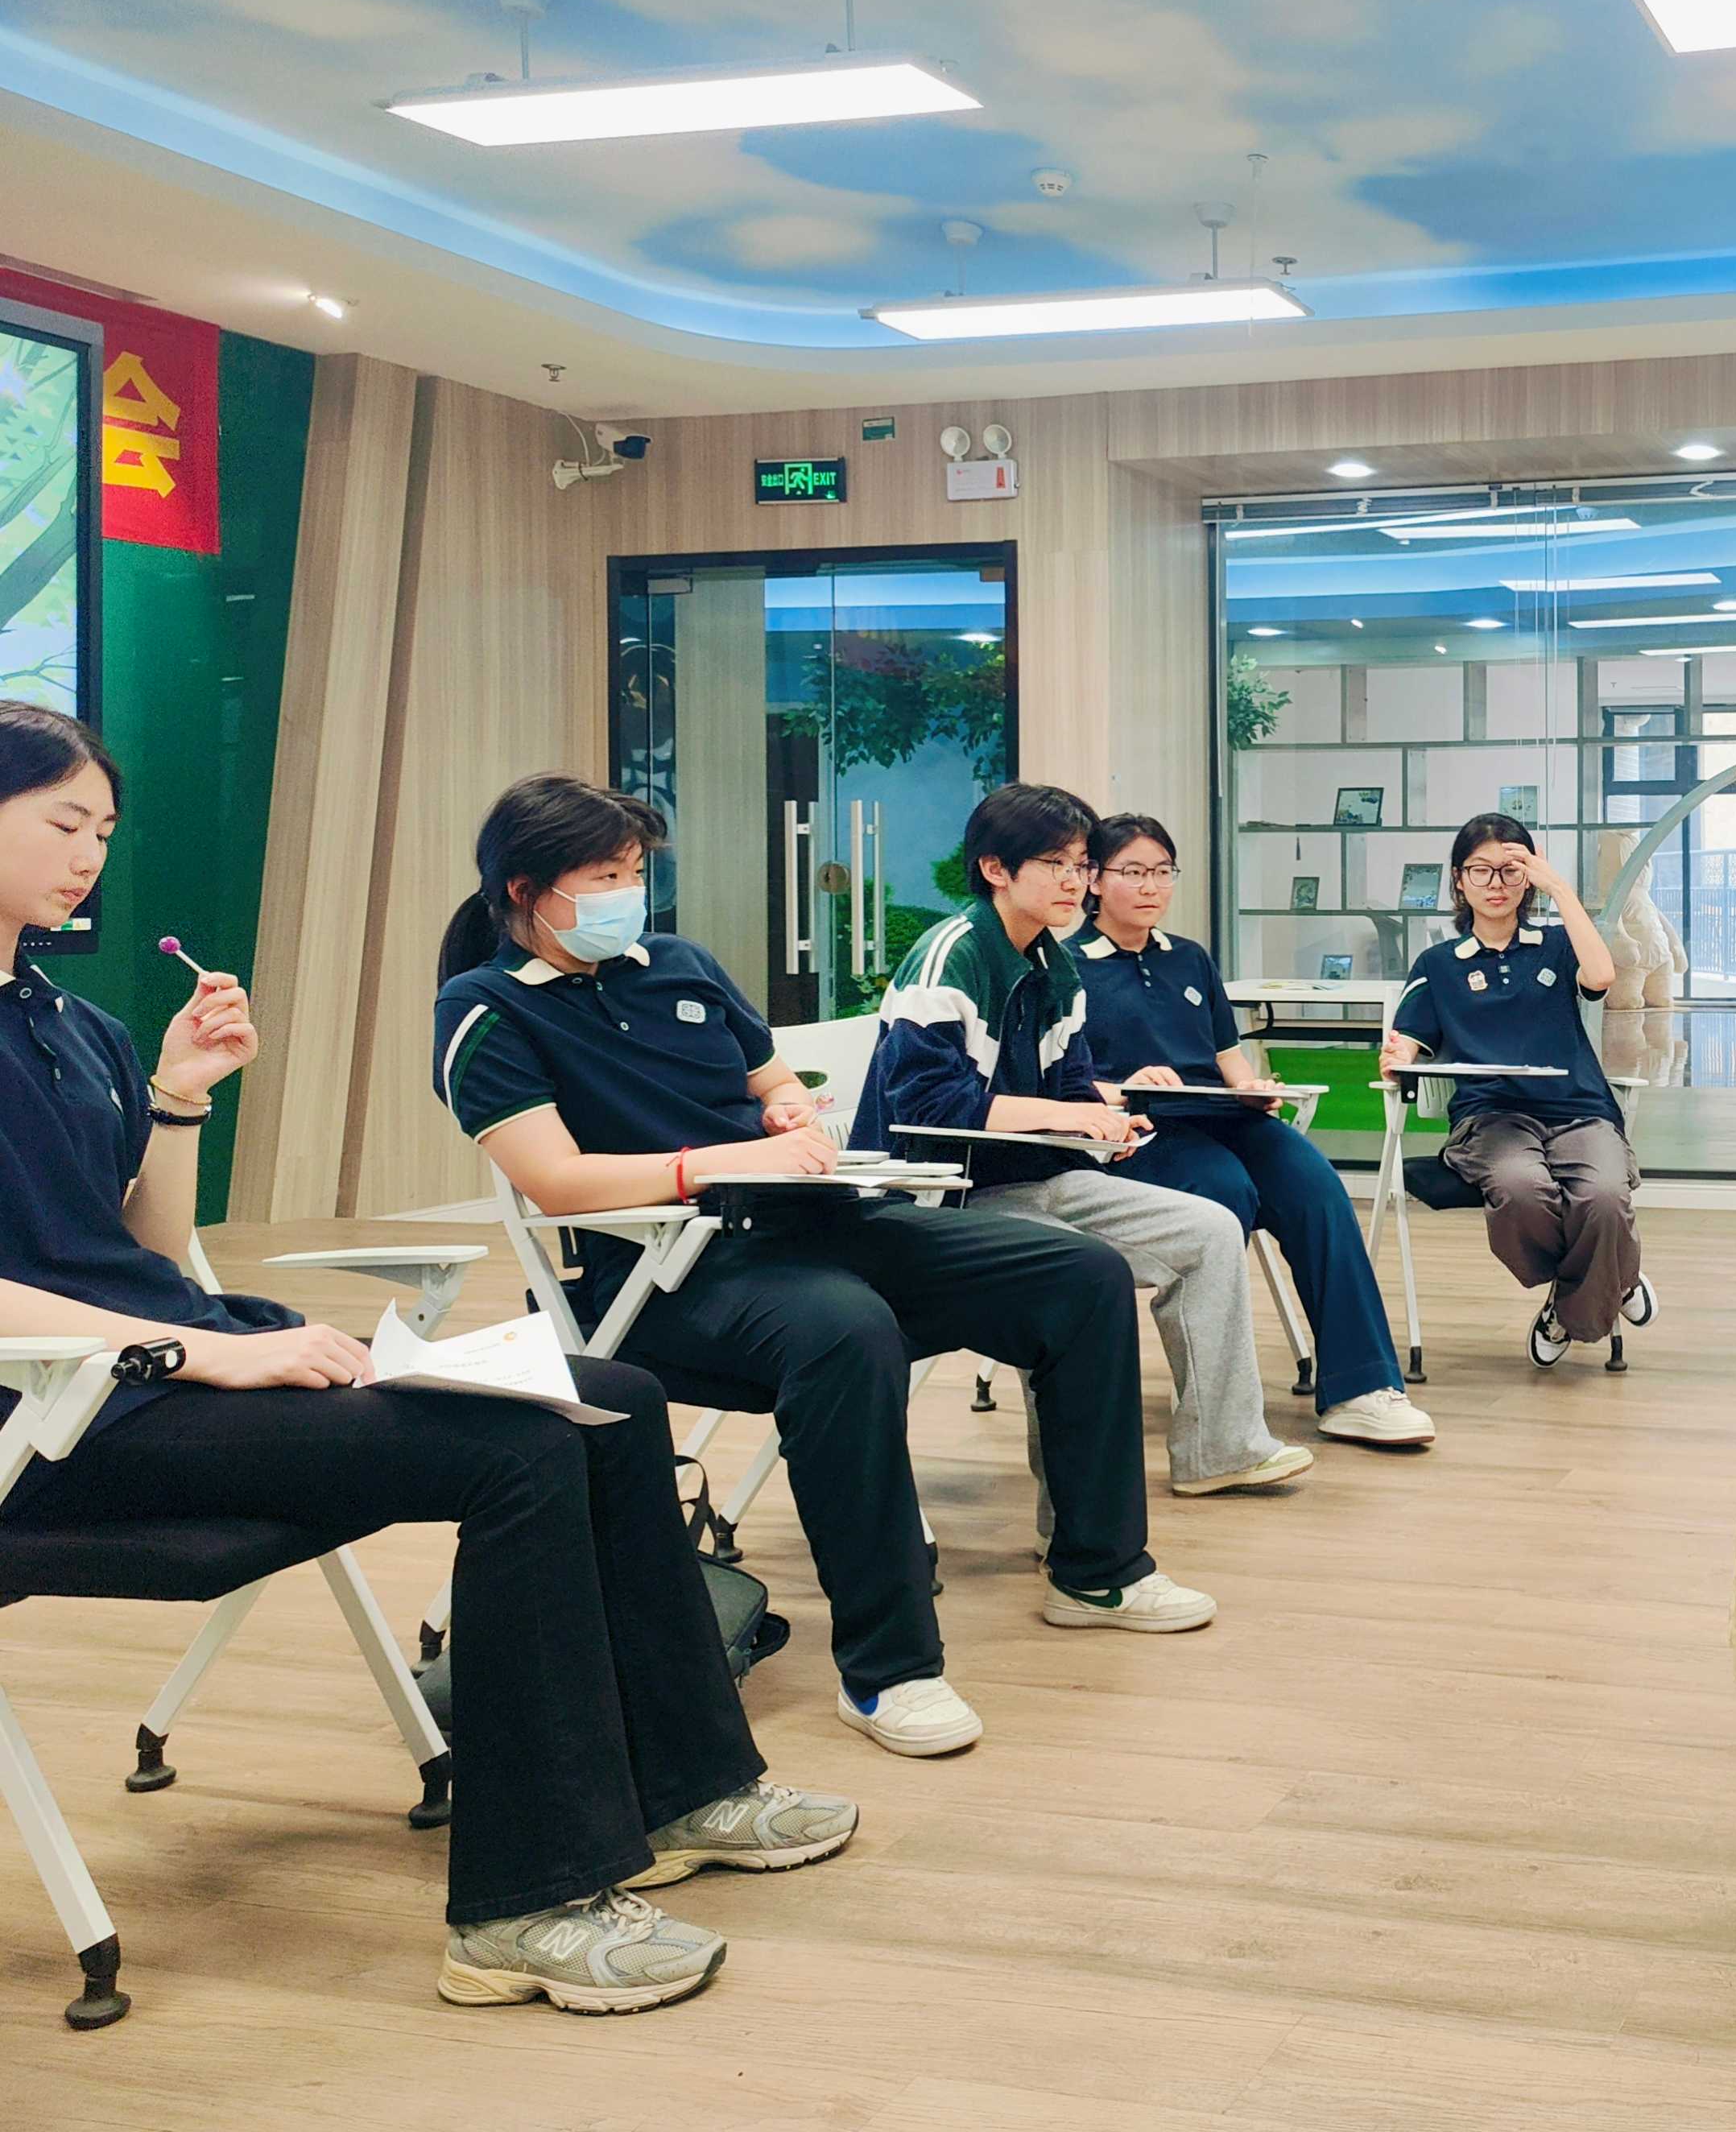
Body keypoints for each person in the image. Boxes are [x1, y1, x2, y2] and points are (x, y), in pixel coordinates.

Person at [0, 707, 852, 2014]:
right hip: (51, 1428)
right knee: (515, 1450)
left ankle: (691, 1785)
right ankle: (525, 1903)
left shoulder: (73, 1025)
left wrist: (179, 1096)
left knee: (610, 1397)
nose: (90, 856)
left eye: (105, 831)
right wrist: (196, 1353)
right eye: (65, 824)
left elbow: (139, 1249)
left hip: (142, 1375)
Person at [433, 775, 1216, 1768]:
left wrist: (791, 1112)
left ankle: (1097, 1571)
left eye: (634, 873)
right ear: (524, 890)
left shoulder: (679, 965)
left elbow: (772, 1081)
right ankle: (889, 1667)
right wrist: (718, 1163)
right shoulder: (485, 1009)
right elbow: (554, 1181)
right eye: (605, 878)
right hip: (665, 1275)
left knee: (1080, 1273)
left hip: (814, 1219)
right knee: (846, 1329)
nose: (628, 894)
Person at [857, 783, 1311, 1498]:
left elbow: (1070, 1085)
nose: (1075, 880)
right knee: (1077, 1270)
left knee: (1211, 1230)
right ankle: (1079, 1522)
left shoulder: (1053, 964)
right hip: (942, 1196)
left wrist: (1106, 1121)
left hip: (1038, 1178)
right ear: (996, 870)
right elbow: (926, 1106)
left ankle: (1222, 1450)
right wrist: (1071, 1117)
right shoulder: (951, 957)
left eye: (1080, 864)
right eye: (1055, 864)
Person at [1070, 815, 1435, 1448]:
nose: (1152, 886)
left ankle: (1361, 1388)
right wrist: (1124, 1086)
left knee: (1318, 1189)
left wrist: (1253, 1087)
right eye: (1133, 872)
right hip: (1137, 1130)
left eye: (1163, 872)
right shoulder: (1065, 968)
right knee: (1225, 1189)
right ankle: (1216, 1402)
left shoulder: (1190, 959)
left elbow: (1226, 1057)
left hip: (1222, 1114)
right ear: (1095, 880)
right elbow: (1057, 1082)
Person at [1381, 812, 1643, 1357]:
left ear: (1530, 877)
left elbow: (1601, 977)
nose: (1496, 883)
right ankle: (1611, 1276)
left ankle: (1577, 1299)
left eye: (1511, 870)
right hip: (1491, 1119)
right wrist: (1397, 1056)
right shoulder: (1438, 964)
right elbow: (1409, 1039)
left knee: (1603, 1195)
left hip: (1579, 1110)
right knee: (1520, 1191)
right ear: (1459, 880)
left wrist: (1560, 890)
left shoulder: (1558, 944)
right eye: (1481, 870)